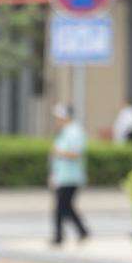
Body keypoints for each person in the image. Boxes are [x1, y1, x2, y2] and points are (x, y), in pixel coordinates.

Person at [49, 104, 89, 246]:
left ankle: (59, 236)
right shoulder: (64, 132)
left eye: (59, 117)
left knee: (61, 207)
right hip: (62, 176)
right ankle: (82, 231)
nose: (57, 120)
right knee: (66, 207)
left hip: (71, 177)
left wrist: (59, 153)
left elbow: (76, 153)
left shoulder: (75, 132)